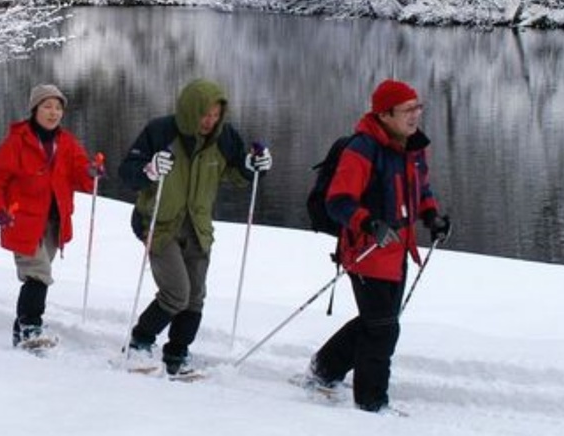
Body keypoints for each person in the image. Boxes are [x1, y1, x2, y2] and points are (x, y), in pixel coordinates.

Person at [303, 79, 451, 414]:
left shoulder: (413, 147)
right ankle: (371, 403)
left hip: (398, 250)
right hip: (365, 251)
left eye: (418, 107)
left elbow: (420, 191)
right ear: (384, 115)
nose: (415, 115)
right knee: (383, 330)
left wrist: (432, 218)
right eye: (407, 110)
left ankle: (324, 369)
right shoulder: (362, 149)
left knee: (378, 321)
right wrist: (369, 223)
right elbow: (337, 202)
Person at [119, 78, 271, 377]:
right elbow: (128, 172)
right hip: (159, 224)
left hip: (198, 227)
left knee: (195, 296)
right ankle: (140, 342)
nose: (210, 121)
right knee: (177, 293)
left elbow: (238, 173)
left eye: (216, 115)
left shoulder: (223, 137)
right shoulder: (160, 131)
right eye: (205, 114)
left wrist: (254, 167)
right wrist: (149, 169)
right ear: (191, 110)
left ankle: (177, 354)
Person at [0, 84, 97, 348]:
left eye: (58, 108)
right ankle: (31, 328)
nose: (53, 113)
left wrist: (91, 173)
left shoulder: (67, 143)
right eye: (47, 107)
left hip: (55, 222)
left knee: (38, 276)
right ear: (35, 110)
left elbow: (81, 175)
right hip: (21, 220)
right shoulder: (18, 141)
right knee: (38, 273)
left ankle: (20, 331)